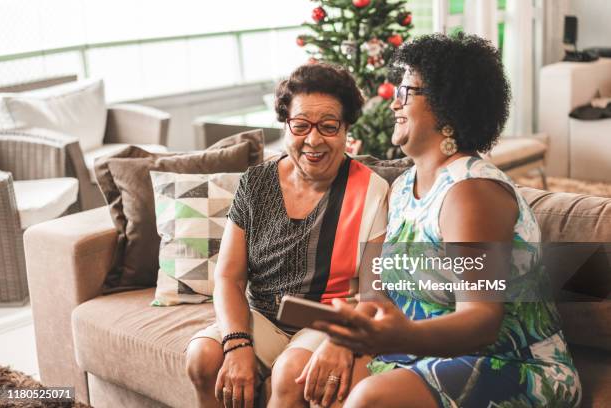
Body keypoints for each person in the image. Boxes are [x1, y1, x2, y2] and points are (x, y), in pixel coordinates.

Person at [313, 33, 582, 408]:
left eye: (406, 90)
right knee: (314, 382)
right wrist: (341, 338)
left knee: (369, 399)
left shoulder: (471, 192)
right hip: (421, 354)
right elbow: (378, 294)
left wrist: (399, 337)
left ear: (447, 107)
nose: (393, 101)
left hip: (509, 361)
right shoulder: (403, 187)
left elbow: (483, 319)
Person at [185, 62, 389, 408]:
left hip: (328, 318)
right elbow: (230, 277)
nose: (313, 139)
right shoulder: (256, 183)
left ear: (345, 131)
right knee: (204, 357)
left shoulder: (372, 190)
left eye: (328, 126)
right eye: (301, 125)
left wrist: (341, 341)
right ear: (285, 125)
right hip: (262, 315)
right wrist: (237, 344)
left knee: (290, 374)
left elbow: (374, 294)